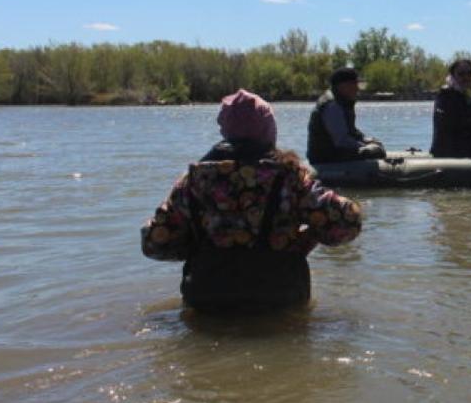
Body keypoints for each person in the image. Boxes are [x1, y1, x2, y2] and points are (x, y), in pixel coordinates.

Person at [142, 89, 362, 312]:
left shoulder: (194, 180)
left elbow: (154, 243)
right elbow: (348, 221)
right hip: (279, 298)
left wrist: (196, 245)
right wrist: (306, 239)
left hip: (207, 300)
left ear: (225, 130)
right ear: (268, 131)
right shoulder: (291, 178)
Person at [307, 67, 386, 164]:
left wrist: (365, 139)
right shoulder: (332, 106)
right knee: (376, 152)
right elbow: (341, 140)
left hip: (334, 152)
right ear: (342, 86)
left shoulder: (342, 101)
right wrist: (364, 146)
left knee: (376, 147)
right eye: (354, 84)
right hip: (325, 157)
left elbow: (350, 130)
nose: (357, 88)